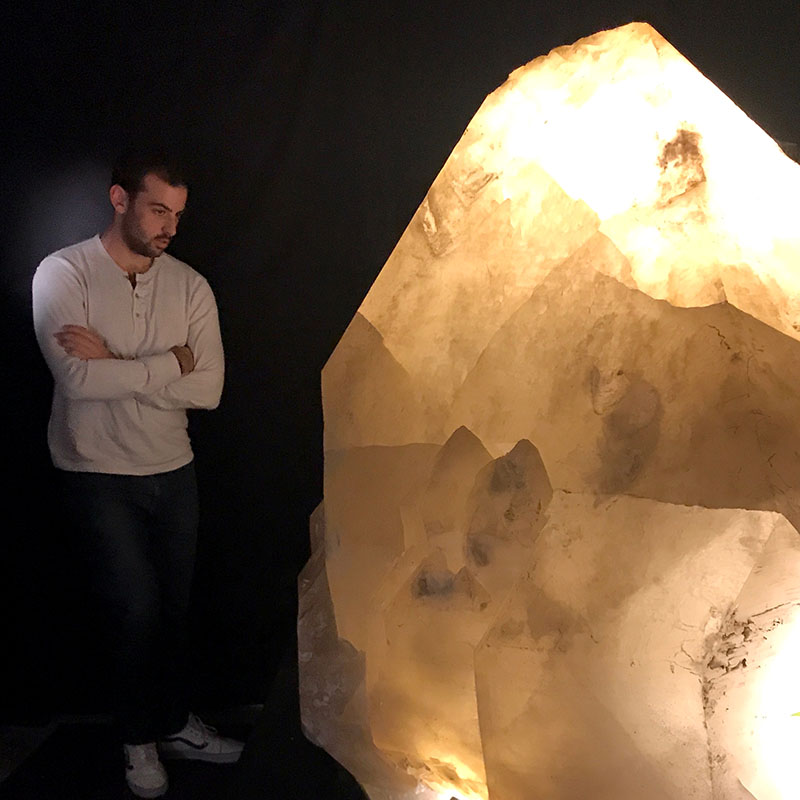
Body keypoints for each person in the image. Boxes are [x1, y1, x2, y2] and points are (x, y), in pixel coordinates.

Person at [32, 150, 242, 798]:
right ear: (119, 199)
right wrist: (168, 364)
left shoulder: (189, 285)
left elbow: (209, 391)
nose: (169, 226)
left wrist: (121, 361)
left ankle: (175, 722)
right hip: (97, 473)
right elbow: (78, 379)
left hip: (173, 471)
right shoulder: (63, 273)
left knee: (172, 613)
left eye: (177, 214)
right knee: (135, 613)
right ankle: (137, 740)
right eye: (157, 209)